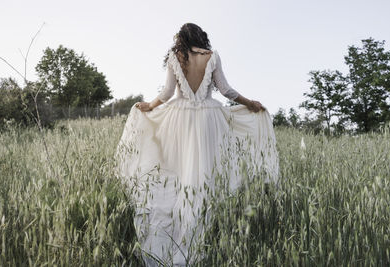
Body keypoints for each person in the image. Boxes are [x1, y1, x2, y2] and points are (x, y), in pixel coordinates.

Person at [115, 22, 279, 267]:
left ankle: (170, 236)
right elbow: (226, 90)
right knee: (203, 177)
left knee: (176, 175)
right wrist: (250, 103)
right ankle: (195, 235)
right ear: (202, 37)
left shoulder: (176, 56)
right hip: (208, 120)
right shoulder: (212, 56)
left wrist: (149, 106)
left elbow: (168, 92)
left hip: (178, 120)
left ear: (181, 38)